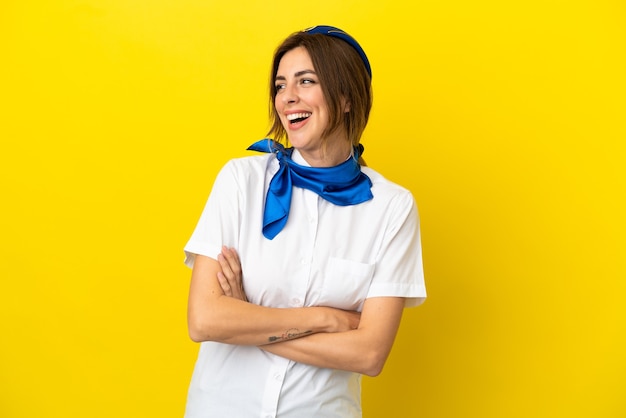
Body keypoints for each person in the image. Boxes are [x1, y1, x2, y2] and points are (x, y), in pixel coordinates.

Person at [183, 25, 426, 418]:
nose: (287, 97)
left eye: (305, 81)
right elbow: (205, 319)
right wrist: (325, 319)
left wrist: (248, 319)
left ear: (346, 97)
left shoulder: (391, 208)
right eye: (280, 85)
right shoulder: (241, 181)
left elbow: (369, 353)